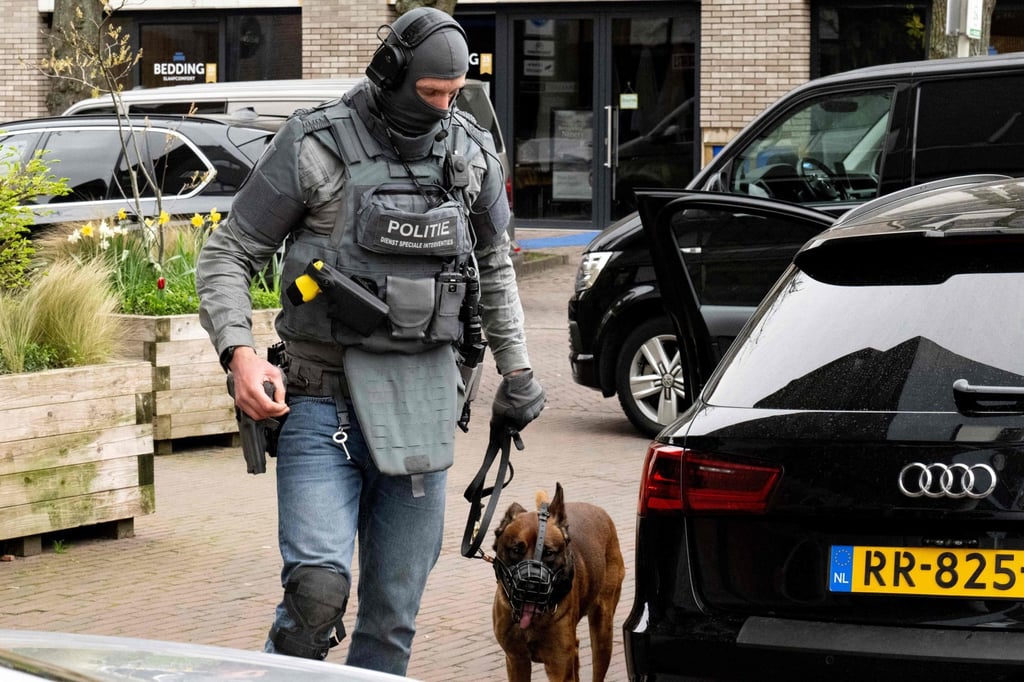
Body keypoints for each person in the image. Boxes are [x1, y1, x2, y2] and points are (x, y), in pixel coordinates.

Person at [195, 6, 545, 676]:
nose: (442, 109)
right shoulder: (315, 145)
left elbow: (496, 264)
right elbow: (228, 253)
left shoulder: (468, 150)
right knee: (318, 595)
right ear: (389, 73)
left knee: (391, 621)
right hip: (319, 403)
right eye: (429, 94)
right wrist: (238, 351)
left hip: (423, 411)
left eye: (452, 94)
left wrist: (519, 370)